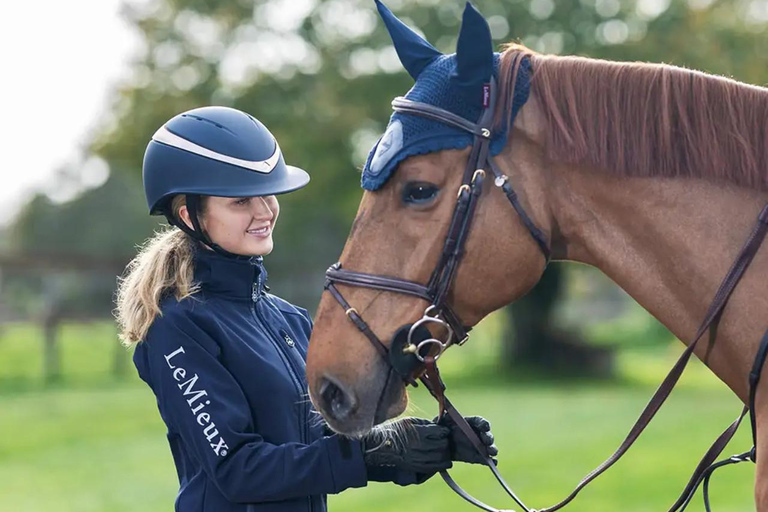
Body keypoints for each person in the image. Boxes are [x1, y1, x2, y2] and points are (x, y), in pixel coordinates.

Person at [115, 106, 497, 512]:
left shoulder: (289, 319)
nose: (264, 211)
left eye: (267, 194)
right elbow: (238, 469)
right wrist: (365, 460)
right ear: (190, 215)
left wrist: (418, 445)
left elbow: (312, 449)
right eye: (241, 201)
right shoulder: (177, 328)